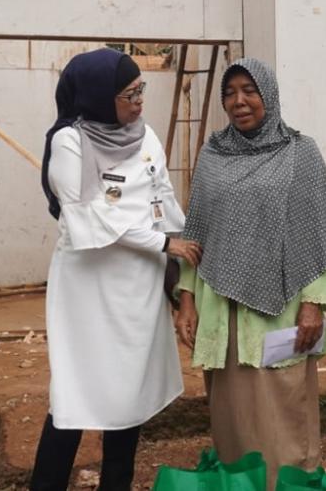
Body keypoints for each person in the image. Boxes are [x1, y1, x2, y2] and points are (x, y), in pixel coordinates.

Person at [32, 48, 203, 491]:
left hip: (138, 285)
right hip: (89, 287)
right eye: (129, 94)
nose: (139, 101)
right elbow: (88, 214)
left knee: (128, 396)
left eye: (140, 90)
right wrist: (163, 243)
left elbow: (163, 199)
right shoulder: (69, 141)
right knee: (74, 394)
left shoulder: (145, 136)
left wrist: (184, 250)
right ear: (97, 97)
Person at [174, 57, 326, 488]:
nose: (239, 101)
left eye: (249, 91)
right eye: (230, 93)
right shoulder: (213, 153)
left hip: (281, 307)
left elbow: (313, 233)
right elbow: (197, 233)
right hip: (223, 310)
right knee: (232, 414)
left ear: (268, 94)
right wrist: (186, 300)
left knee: (284, 407)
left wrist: (314, 304)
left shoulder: (299, 153)